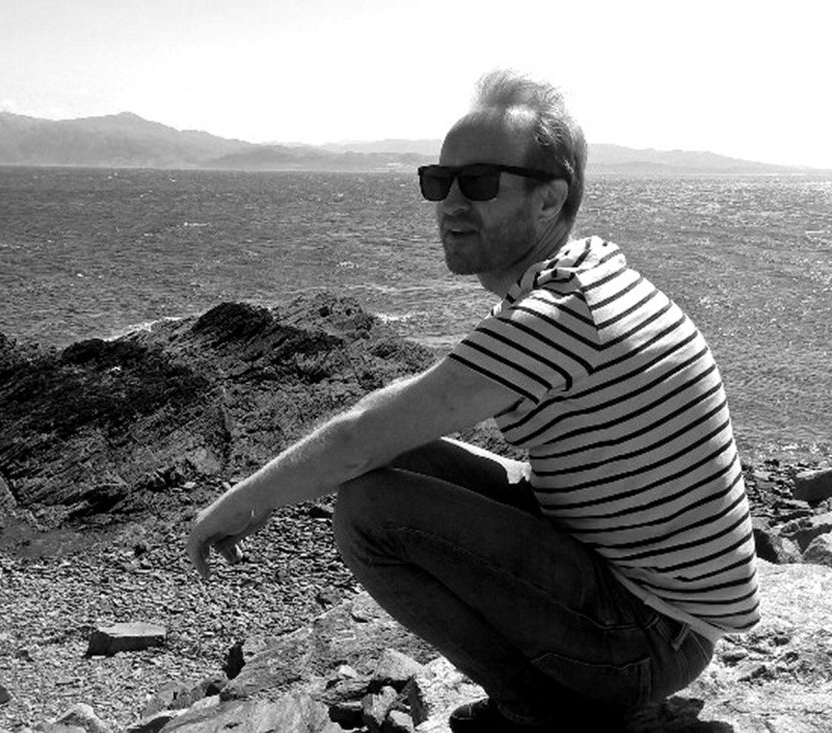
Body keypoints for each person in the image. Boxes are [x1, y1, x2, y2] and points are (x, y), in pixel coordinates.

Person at [186, 69, 760, 731]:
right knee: (401, 459)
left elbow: (356, 435)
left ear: (550, 200)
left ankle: (541, 711)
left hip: (649, 641)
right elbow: (393, 421)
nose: (452, 203)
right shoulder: (588, 273)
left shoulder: (554, 316)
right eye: (440, 181)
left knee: (370, 507)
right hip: (658, 610)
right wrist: (285, 484)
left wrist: (237, 503)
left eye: (480, 182)